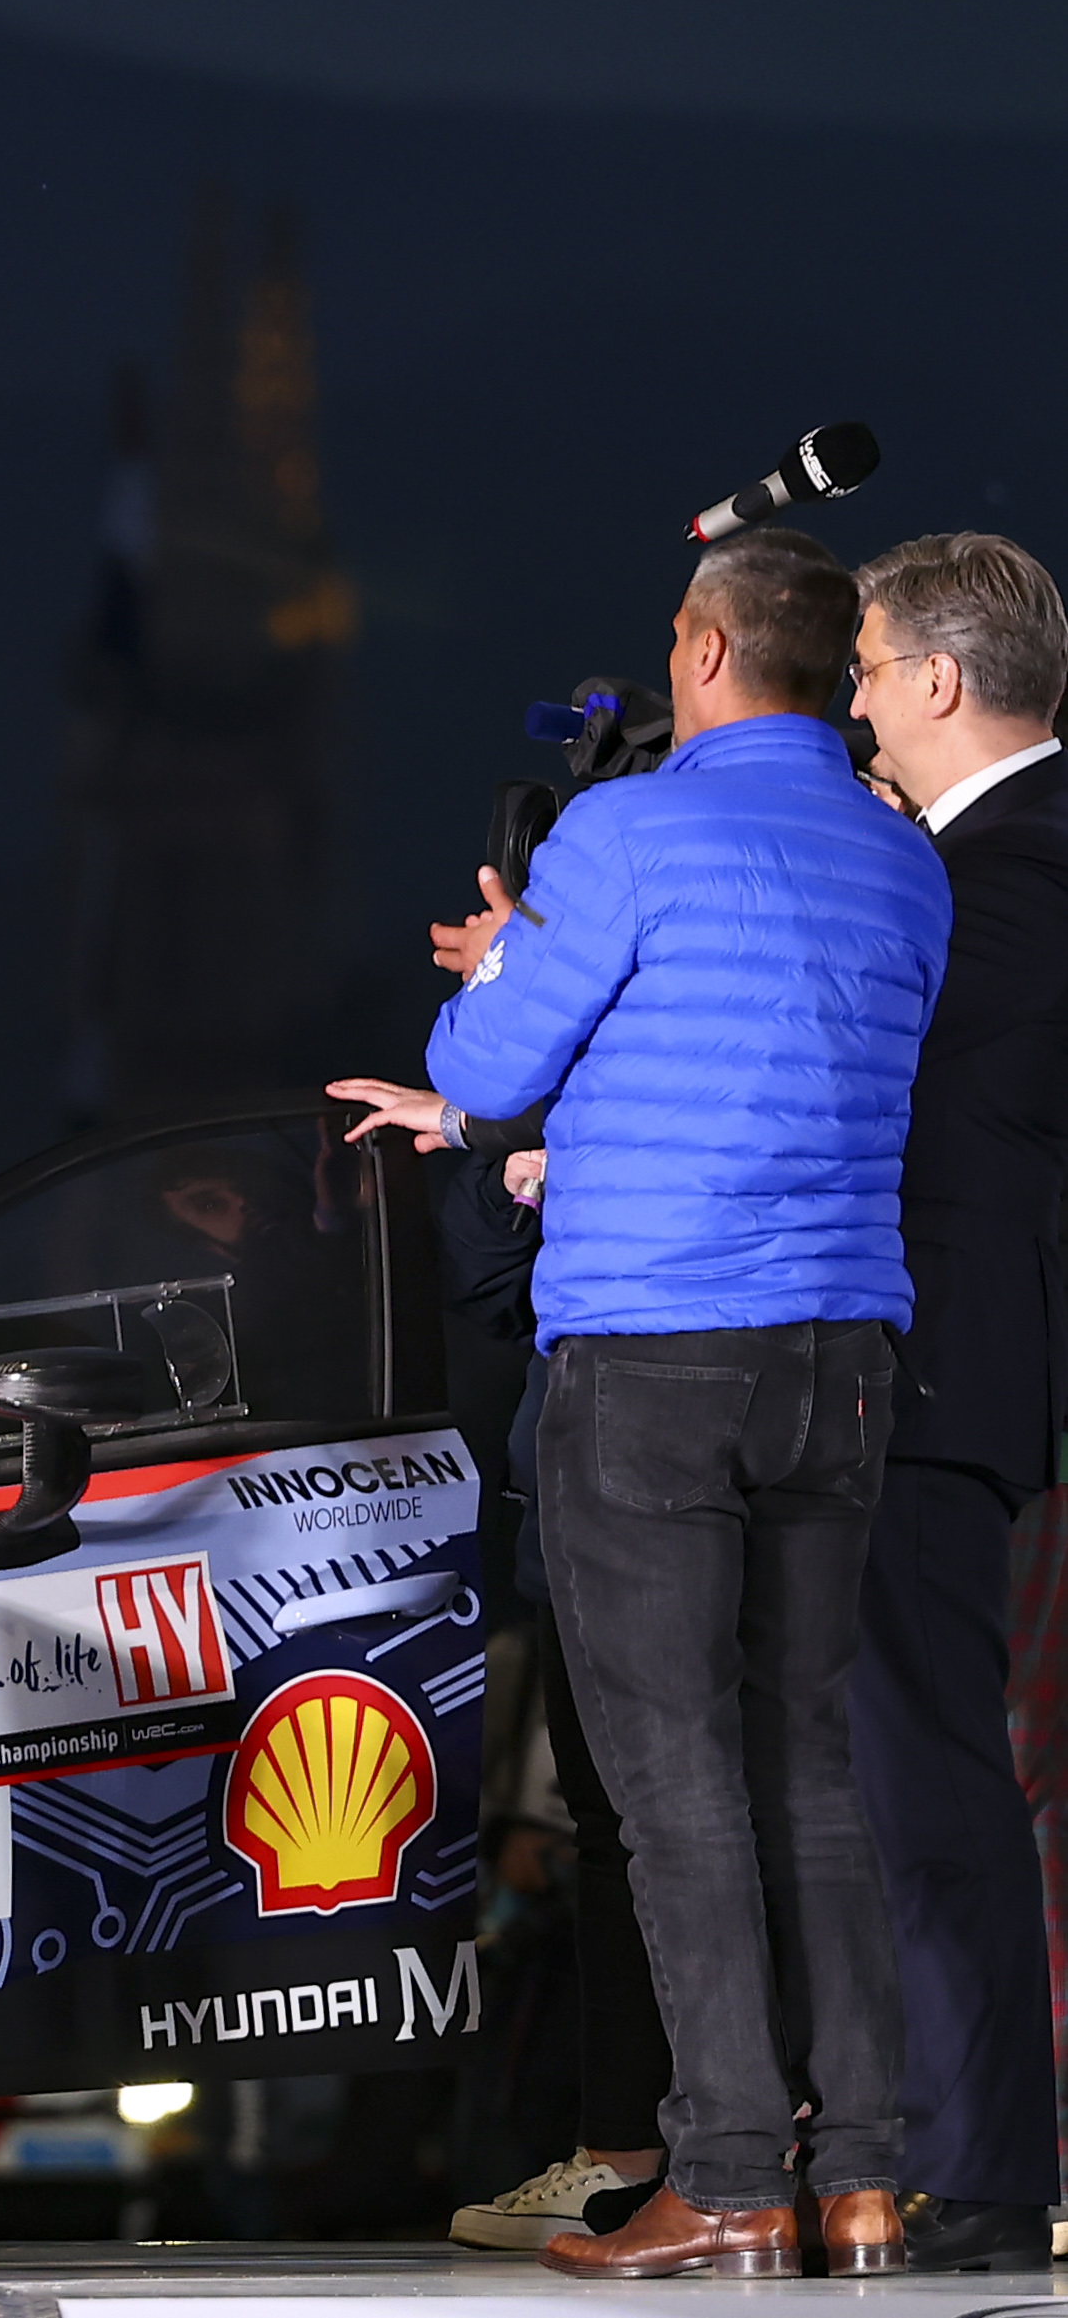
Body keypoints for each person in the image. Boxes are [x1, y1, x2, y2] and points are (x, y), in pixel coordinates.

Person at [422, 528, 948, 2282]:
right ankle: (858, 2177)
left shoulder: (621, 835)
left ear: (708, 653)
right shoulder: (900, 860)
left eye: (674, 639)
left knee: (670, 1782)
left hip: (653, 1345)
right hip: (839, 1358)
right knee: (806, 1758)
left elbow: (486, 1067)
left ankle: (723, 2174)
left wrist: (504, 964)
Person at [837, 531, 1068, 2270]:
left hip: (936, 1368)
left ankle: (978, 2169)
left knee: (927, 1767)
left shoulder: (1013, 867)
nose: (849, 706)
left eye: (858, 670)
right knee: (900, 1761)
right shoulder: (974, 859)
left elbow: (856, 1050)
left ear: (934, 678)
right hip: (931, 1364)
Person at [335, 1079, 675, 2254]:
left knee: (725, 1817)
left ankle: (758, 2153)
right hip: (574, 1495)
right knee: (616, 1831)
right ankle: (638, 2155)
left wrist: (517, 1138)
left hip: (690, 1456)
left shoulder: (667, 1060)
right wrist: (514, 1163)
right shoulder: (541, 1101)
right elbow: (482, 1281)